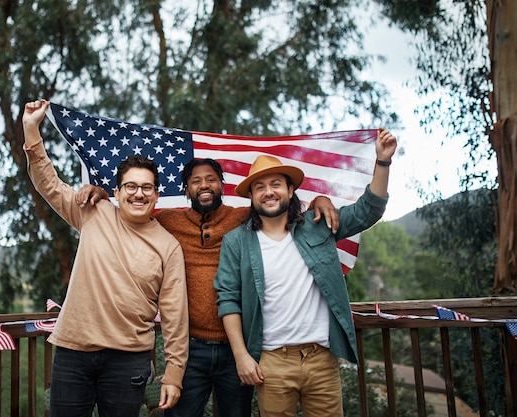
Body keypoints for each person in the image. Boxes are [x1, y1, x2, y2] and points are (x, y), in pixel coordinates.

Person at [79, 158, 339, 417]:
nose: (204, 185)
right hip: (191, 349)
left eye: (211, 179)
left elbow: (278, 208)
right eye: (196, 181)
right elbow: (134, 209)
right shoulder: (167, 221)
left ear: (221, 185)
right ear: (187, 189)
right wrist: (103, 195)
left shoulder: (243, 219)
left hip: (237, 349)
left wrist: (318, 201)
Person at [22, 99, 189, 417]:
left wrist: (174, 374)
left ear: (156, 194)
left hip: (129, 361)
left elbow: (175, 318)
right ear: (117, 189)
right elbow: (49, 183)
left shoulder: (168, 246)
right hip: (73, 353)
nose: (138, 193)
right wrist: (32, 130)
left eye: (146, 188)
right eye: (131, 186)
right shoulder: (92, 211)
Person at [214, 129, 397, 417]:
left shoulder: (318, 224)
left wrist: (383, 162)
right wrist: (241, 356)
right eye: (259, 187)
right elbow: (228, 299)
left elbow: (367, 212)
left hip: (321, 359)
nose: (268, 191)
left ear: (290, 191)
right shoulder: (236, 241)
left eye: (276, 184)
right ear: (251, 196)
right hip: (271, 363)